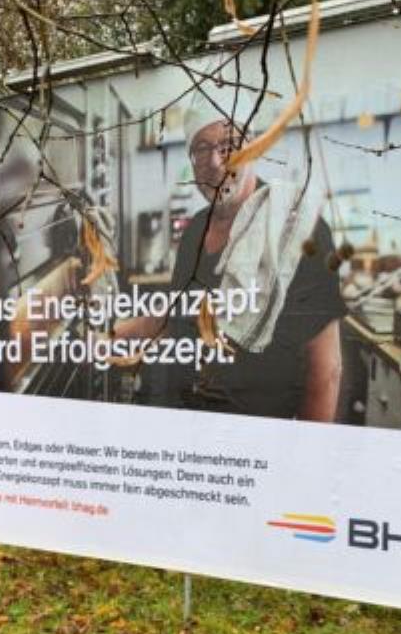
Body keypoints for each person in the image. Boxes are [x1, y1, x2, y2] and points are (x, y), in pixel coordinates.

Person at [111, 112, 345, 421]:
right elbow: (177, 316)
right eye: (201, 148)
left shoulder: (297, 231)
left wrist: (303, 449)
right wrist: (111, 336)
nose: (215, 161)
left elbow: (326, 371)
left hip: (260, 432)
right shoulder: (196, 230)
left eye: (229, 145)